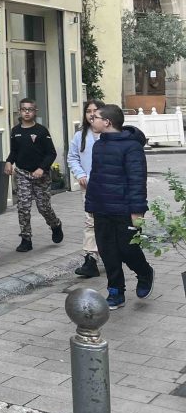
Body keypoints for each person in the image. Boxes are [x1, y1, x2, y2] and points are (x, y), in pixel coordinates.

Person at [86, 104, 153, 310]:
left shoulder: (132, 147)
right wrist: (91, 204)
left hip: (124, 210)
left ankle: (144, 272)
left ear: (107, 122)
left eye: (96, 117)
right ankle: (116, 291)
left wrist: (137, 211)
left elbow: (137, 180)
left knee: (127, 249)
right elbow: (96, 178)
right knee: (107, 251)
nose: (92, 119)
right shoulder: (99, 145)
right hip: (102, 208)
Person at [4, 98, 63, 252]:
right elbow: (15, 152)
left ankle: (55, 224)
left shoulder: (41, 131)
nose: (27, 112)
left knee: (43, 207)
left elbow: (51, 153)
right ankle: (26, 238)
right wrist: (9, 161)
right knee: (23, 206)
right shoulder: (15, 131)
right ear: (19, 111)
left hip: (40, 175)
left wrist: (42, 168)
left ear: (35, 112)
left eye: (30, 109)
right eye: (24, 109)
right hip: (23, 173)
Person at [67, 99, 104, 278]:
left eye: (95, 111)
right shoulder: (80, 135)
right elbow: (72, 157)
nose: (91, 114)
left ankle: (109, 252)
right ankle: (91, 259)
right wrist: (80, 174)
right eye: (88, 111)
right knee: (90, 221)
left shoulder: (109, 134)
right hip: (88, 186)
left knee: (107, 221)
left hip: (108, 187)